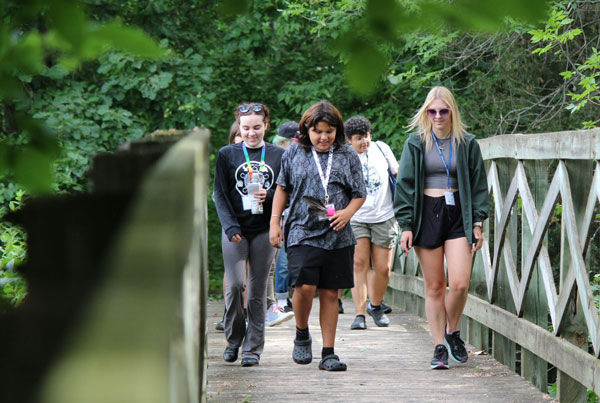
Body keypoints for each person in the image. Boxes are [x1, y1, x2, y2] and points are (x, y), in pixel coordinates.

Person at [395, 86, 489, 369]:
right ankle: (438, 346)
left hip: (459, 212)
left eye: (443, 111)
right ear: (426, 112)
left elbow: (478, 185)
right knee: (435, 286)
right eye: (432, 111)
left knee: (459, 283)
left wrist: (478, 221)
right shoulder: (416, 142)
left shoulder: (467, 143)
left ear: (452, 112)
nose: (437, 116)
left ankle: (452, 331)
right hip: (427, 213)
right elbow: (406, 184)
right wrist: (406, 225)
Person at [269, 101, 366, 371]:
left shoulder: (347, 155)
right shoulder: (294, 154)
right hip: (301, 229)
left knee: (330, 292)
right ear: (306, 130)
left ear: (337, 130)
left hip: (337, 232)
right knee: (305, 286)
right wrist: (275, 223)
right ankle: (301, 333)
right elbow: (282, 189)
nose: (323, 137)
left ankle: (328, 352)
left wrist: (347, 213)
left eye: (329, 131)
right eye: (317, 131)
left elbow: (360, 193)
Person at [213, 102, 284, 367]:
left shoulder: (279, 155)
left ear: (266, 125)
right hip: (236, 230)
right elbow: (219, 194)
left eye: (256, 127)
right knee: (235, 286)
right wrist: (230, 227)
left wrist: (273, 195)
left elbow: (289, 191)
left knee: (256, 291)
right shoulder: (226, 154)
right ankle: (234, 339)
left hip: (265, 230)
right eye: (245, 128)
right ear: (239, 128)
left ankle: (252, 350)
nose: (251, 133)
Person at [345, 116, 399, 330]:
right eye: (358, 138)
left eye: (366, 136)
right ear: (349, 140)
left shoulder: (382, 149)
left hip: (384, 215)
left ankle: (375, 306)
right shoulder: (344, 156)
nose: (363, 142)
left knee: (383, 268)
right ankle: (359, 314)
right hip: (356, 217)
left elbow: (397, 173)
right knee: (359, 263)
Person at [216, 122, 244, 332]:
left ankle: (246, 312)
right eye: (239, 135)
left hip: (257, 223)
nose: (244, 138)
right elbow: (219, 193)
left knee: (251, 273)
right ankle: (229, 311)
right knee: (232, 272)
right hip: (232, 222)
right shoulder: (227, 157)